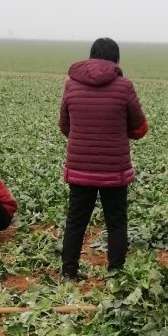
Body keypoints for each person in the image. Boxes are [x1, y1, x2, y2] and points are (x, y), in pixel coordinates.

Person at [58, 37, 148, 281]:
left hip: (80, 168)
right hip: (113, 169)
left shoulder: (71, 86)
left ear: (90, 56)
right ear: (116, 60)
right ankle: (116, 274)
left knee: (76, 221)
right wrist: (118, 131)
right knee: (116, 222)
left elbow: (65, 126)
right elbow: (140, 129)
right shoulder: (124, 87)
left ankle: (69, 273)